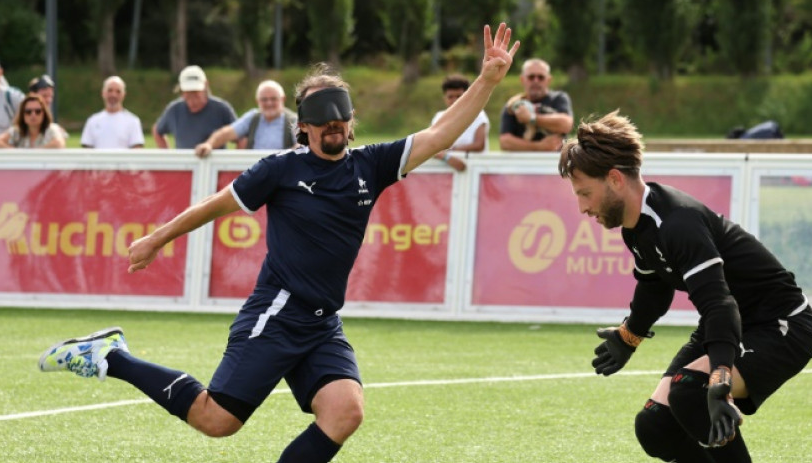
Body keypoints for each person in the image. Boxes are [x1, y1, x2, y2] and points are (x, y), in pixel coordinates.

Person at [37, 23, 520, 463]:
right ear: (303, 124)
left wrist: (489, 81)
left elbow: (439, 134)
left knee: (345, 411)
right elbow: (215, 204)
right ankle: (112, 356)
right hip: (278, 313)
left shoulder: (369, 165)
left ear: (351, 122)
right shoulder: (281, 169)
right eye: (320, 115)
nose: (333, 124)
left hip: (322, 321)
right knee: (216, 420)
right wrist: (157, 239)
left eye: (341, 116)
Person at [557, 110, 812, 462]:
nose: (582, 207)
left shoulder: (676, 223)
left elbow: (719, 304)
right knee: (654, 426)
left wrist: (720, 378)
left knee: (690, 393)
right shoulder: (636, 228)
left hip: (780, 324)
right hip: (728, 324)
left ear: (615, 179)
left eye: (585, 193)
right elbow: (654, 290)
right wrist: (628, 335)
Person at [195, 79, 297, 158]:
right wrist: (209, 144)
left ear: (283, 99)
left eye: (273, 99)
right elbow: (227, 133)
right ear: (257, 101)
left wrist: (281, 159)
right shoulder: (253, 117)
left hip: (282, 173)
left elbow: (302, 146)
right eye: (264, 99)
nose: (269, 103)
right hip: (255, 172)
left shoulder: (293, 120)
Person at [153, 65, 237, 149]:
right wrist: (168, 157)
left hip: (214, 161)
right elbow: (157, 130)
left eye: (196, 94)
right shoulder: (174, 110)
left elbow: (241, 136)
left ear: (206, 86)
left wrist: (237, 161)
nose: (192, 101)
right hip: (184, 161)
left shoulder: (221, 109)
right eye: (188, 95)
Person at [499, 58, 573, 152]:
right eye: (531, 77)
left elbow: (566, 125)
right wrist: (539, 147)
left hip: (556, 164)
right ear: (522, 79)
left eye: (541, 77)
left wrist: (532, 118)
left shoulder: (558, 98)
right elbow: (505, 142)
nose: (536, 81)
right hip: (523, 164)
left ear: (549, 80)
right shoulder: (514, 104)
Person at [429, 74, 489, 172]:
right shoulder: (439, 118)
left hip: (474, 171)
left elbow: (479, 145)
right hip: (445, 173)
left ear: (468, 96)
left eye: (459, 96)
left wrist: (450, 152)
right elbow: (430, 146)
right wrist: (448, 158)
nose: (454, 100)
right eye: (450, 97)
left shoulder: (478, 115)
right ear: (445, 98)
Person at [81, 76, 145, 149]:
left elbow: (137, 150)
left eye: (118, 91)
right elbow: (86, 152)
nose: (113, 95)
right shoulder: (92, 121)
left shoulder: (133, 121)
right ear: (103, 93)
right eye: (110, 90)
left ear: (124, 95)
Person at [0, 94, 66, 148]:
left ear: (44, 114)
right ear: (23, 114)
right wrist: (15, 152)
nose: (33, 115)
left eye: (38, 111)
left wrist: (34, 153)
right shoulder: (17, 130)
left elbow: (59, 143)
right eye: (28, 111)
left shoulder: (51, 129)